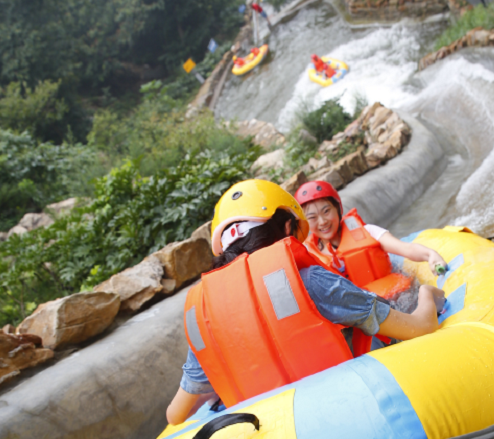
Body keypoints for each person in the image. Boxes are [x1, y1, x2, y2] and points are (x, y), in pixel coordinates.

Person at [166, 180, 444, 425]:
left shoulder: (202, 313)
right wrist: (427, 294)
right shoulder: (310, 280)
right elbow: (421, 327)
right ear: (288, 226)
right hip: (350, 411)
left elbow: (176, 415)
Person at [294, 181, 448, 288]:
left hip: (394, 300)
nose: (322, 222)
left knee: (426, 292)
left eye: (326, 211)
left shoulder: (368, 232)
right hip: (358, 315)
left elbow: (405, 249)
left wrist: (430, 255)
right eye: (312, 217)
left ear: (338, 208)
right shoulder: (310, 256)